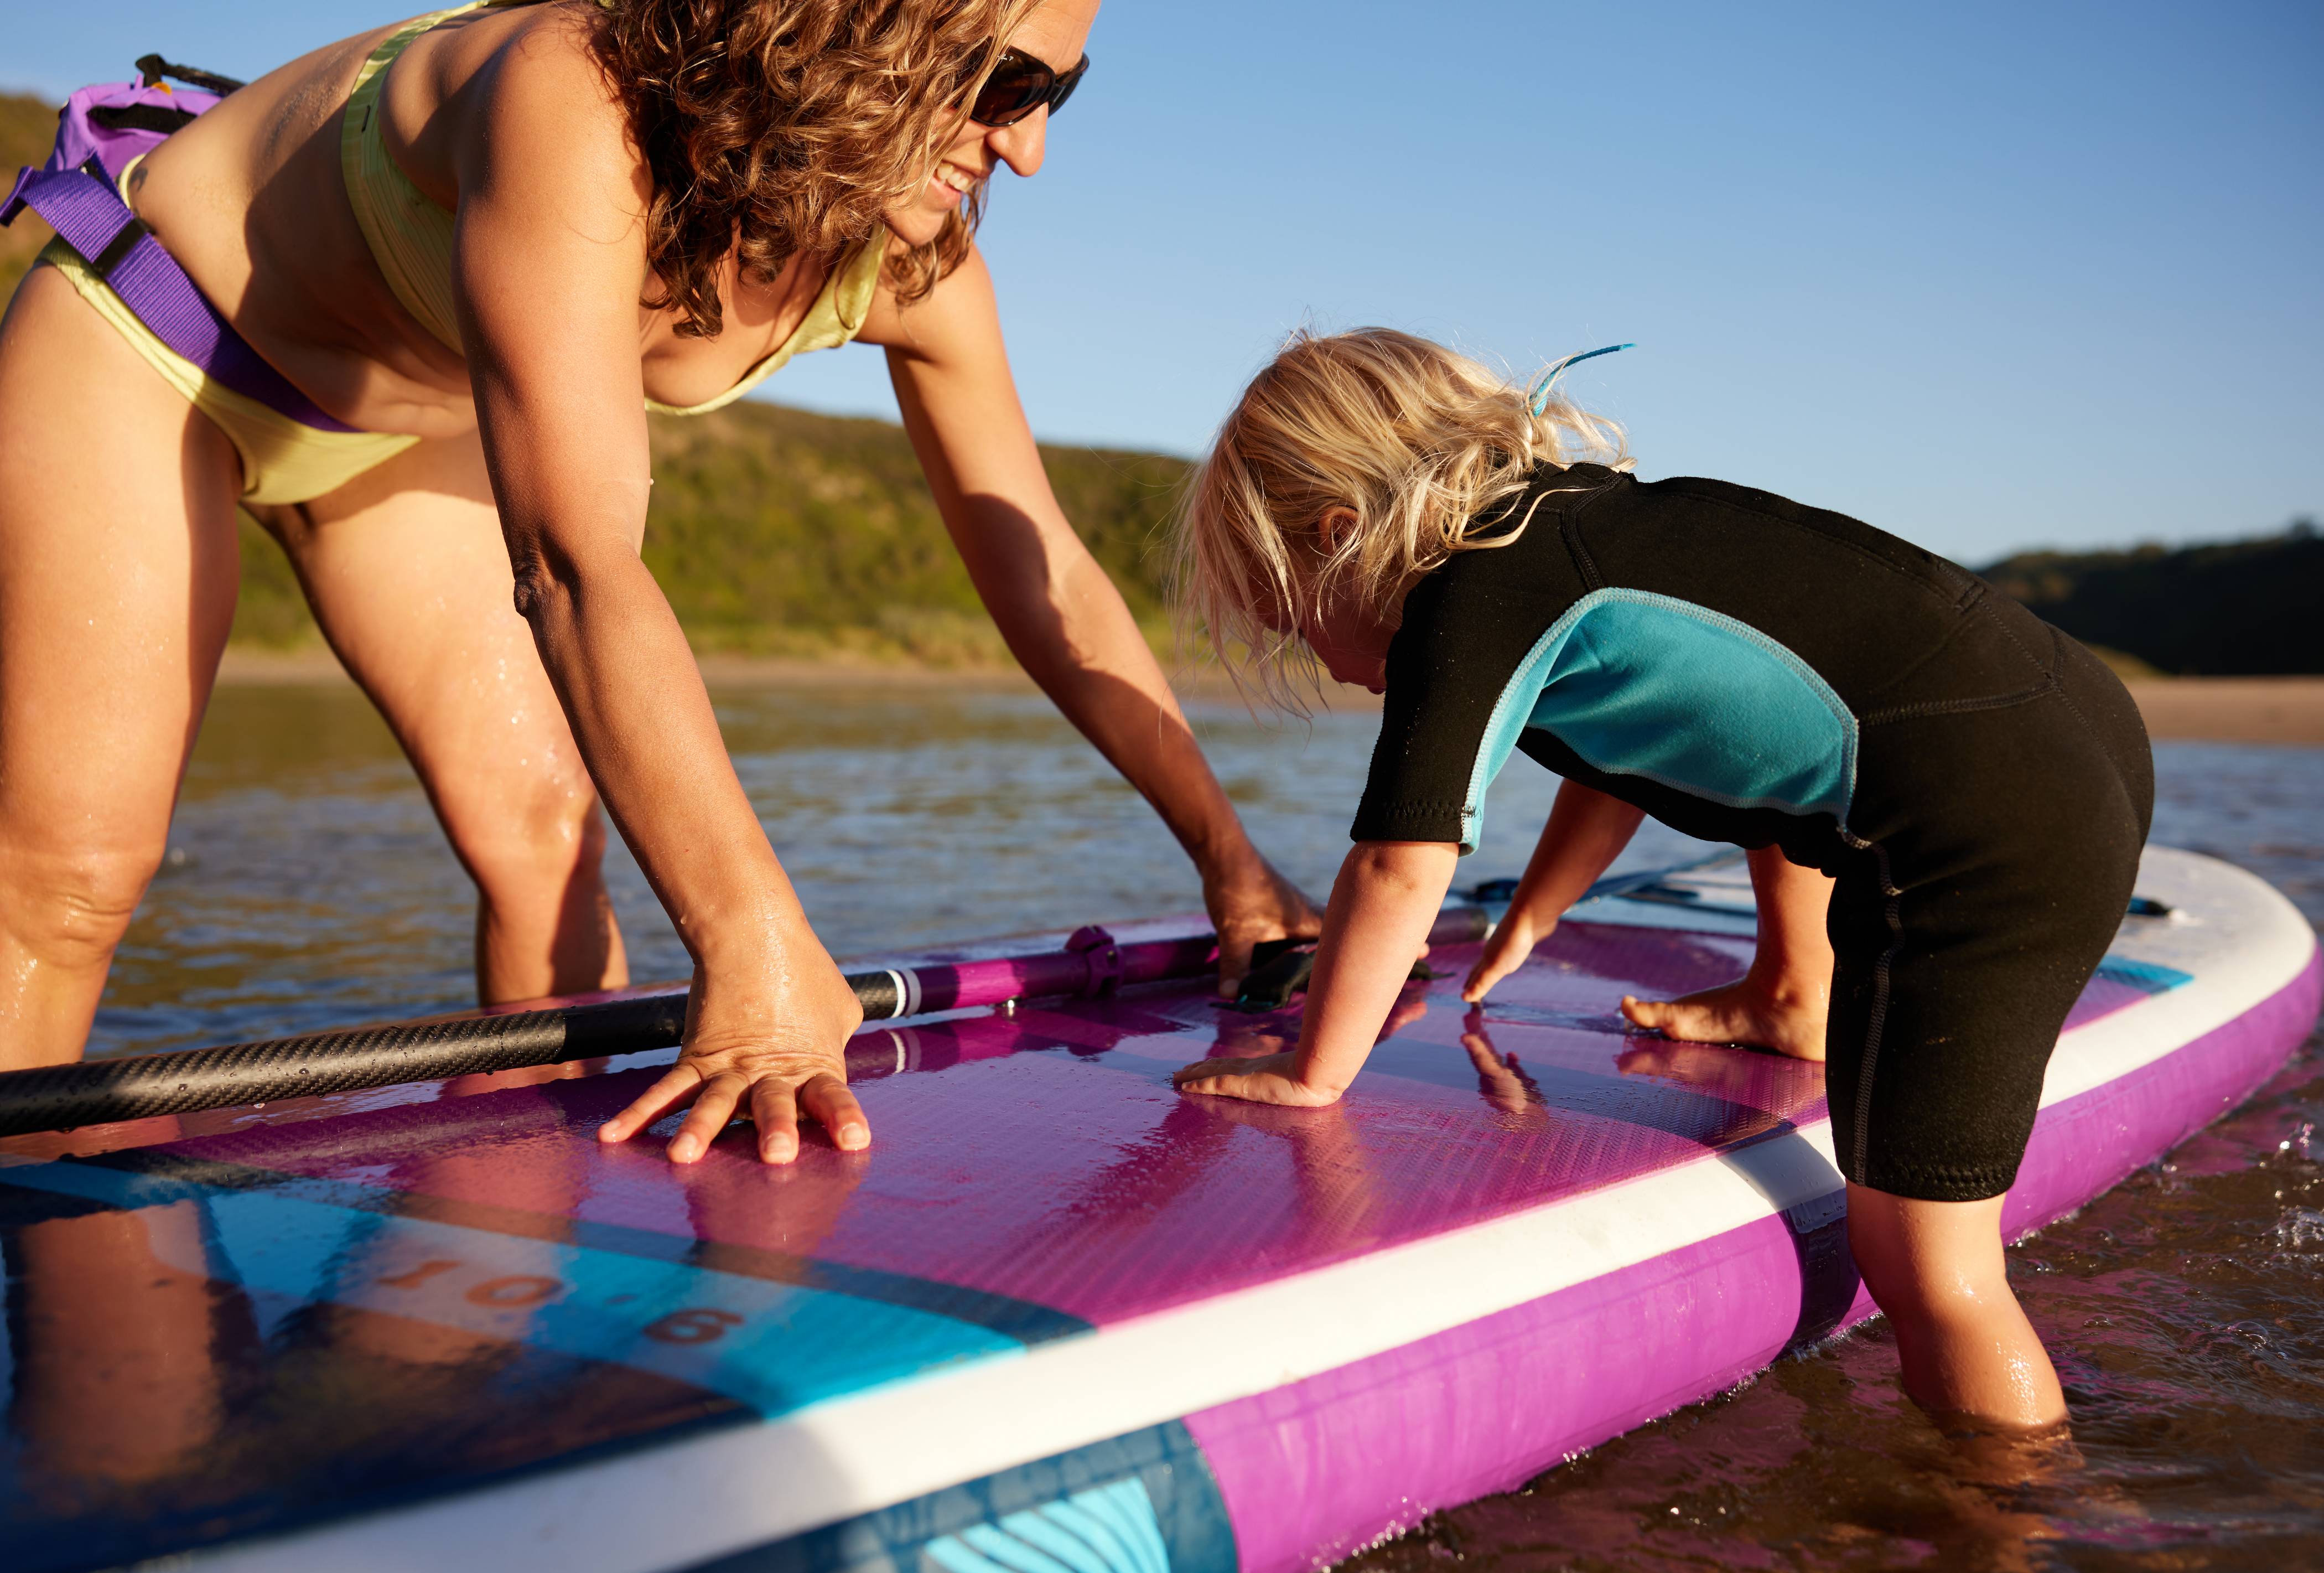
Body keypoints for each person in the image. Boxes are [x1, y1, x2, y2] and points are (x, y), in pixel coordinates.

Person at [0, 0, 1319, 1163]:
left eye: (1058, 97)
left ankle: (520, 1227)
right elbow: (576, 563)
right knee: (71, 884)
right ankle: (31, 1266)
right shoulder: (574, 96)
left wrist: (1231, 860)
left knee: (544, 843)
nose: (1027, 149)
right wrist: (752, 935)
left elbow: (1051, 577)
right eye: (1010, 86)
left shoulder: (918, 261)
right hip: (161, 338)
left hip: (397, 427)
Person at [1168, 327, 2153, 1431]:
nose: (1329, 671)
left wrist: (1315, 1071)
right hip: (2067, 729)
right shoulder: (1577, 527)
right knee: (1786, 768)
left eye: (1300, 628)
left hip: (1982, 822)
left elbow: (1403, 859)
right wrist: (1537, 911)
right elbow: (1645, 754)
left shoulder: (1473, 592)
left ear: (1342, 537)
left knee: (1930, 1272)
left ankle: (2012, 1558)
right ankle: (1797, 999)